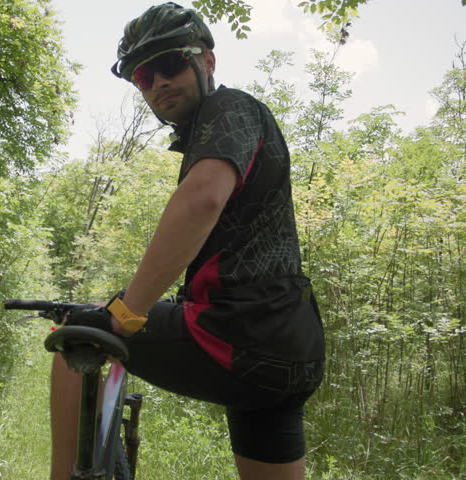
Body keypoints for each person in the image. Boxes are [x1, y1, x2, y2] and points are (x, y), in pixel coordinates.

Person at [51, 3, 325, 479]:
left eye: (171, 64)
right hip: (291, 349)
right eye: (143, 75)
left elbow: (201, 200)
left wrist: (125, 314)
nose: (157, 81)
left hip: (239, 333)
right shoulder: (229, 128)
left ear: (207, 61)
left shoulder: (230, 108)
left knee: (77, 334)